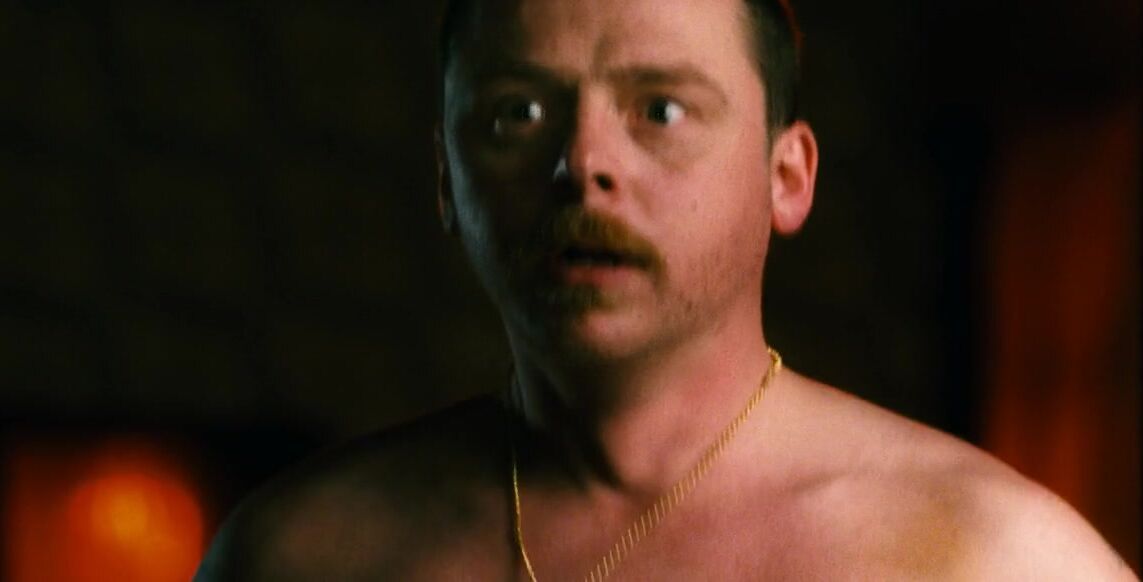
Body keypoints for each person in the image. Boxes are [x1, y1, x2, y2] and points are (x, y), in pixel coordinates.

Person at [195, 0, 1134, 579]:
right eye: (518, 111)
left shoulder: (989, 560)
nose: (582, 163)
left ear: (786, 177)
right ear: (448, 180)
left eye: (661, 109)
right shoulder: (297, 555)